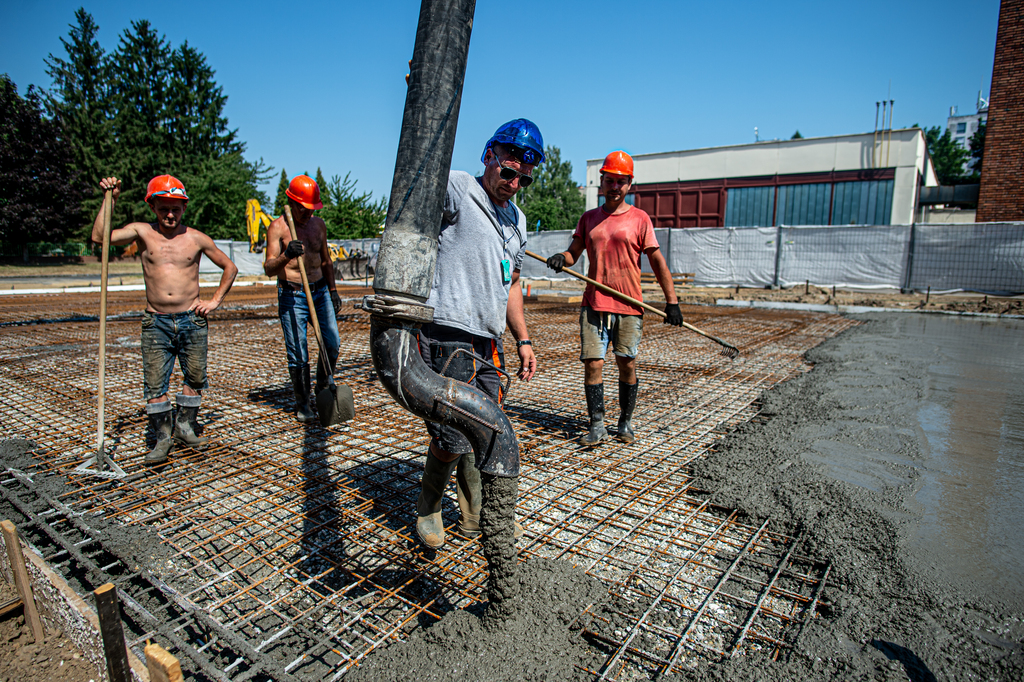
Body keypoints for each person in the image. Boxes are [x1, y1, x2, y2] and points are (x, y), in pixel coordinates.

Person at [414, 119, 540, 549]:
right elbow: (419, 175)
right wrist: (423, 109)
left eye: (523, 178)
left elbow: (513, 285)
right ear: (488, 155)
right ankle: (430, 504)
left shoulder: (518, 220)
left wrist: (522, 338)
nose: (514, 183)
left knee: (489, 428)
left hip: (489, 340)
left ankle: (475, 513)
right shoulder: (458, 188)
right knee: (452, 430)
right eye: (507, 172)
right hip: (447, 330)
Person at [93, 175, 238, 464]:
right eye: (163, 209)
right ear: (153, 207)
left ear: (183, 208)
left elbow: (229, 267)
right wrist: (111, 198)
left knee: (195, 378)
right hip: (156, 323)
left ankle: (184, 427)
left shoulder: (196, 238)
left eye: (175, 209)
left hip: (191, 320)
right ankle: (162, 438)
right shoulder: (142, 232)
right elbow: (101, 238)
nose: (170, 215)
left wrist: (214, 301)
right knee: (155, 385)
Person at [545, 151, 683, 445]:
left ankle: (625, 421)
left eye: (621, 182)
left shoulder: (640, 219)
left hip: (629, 305)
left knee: (626, 363)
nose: (614, 187)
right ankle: (597, 425)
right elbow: (574, 253)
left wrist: (672, 302)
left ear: (630, 184)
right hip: (594, 304)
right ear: (602, 181)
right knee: (593, 363)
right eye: (610, 180)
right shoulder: (589, 219)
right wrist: (562, 258)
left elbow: (657, 263)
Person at [263, 175, 343, 423]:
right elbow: (268, 268)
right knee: (298, 353)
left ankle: (322, 386)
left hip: (319, 292)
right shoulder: (277, 228)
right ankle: (303, 404)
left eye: (312, 209)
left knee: (332, 343)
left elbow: (326, 260)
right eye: (304, 209)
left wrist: (332, 290)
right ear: (291, 202)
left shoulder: (318, 225)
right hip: (292, 294)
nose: (308, 214)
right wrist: (287, 255)